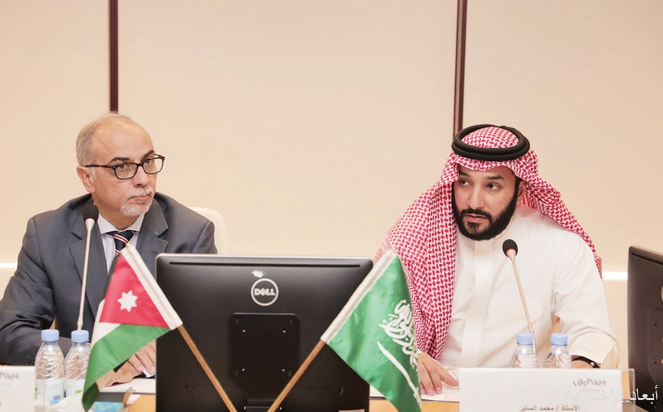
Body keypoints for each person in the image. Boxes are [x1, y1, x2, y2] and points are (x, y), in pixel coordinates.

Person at [375, 124, 618, 395]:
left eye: (492, 186)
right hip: (429, 399)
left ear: (521, 190)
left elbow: (592, 333)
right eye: (464, 182)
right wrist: (404, 354)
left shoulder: (561, 246)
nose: (474, 202)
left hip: (519, 399)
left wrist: (582, 367)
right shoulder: (416, 237)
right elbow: (375, 324)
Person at [0, 113, 217, 384]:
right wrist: (96, 357)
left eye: (148, 162)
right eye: (122, 167)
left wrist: (140, 364)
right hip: (82, 389)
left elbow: (207, 337)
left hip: (155, 390)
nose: (143, 179)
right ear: (87, 178)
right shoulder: (47, 234)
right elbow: (11, 332)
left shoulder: (191, 234)